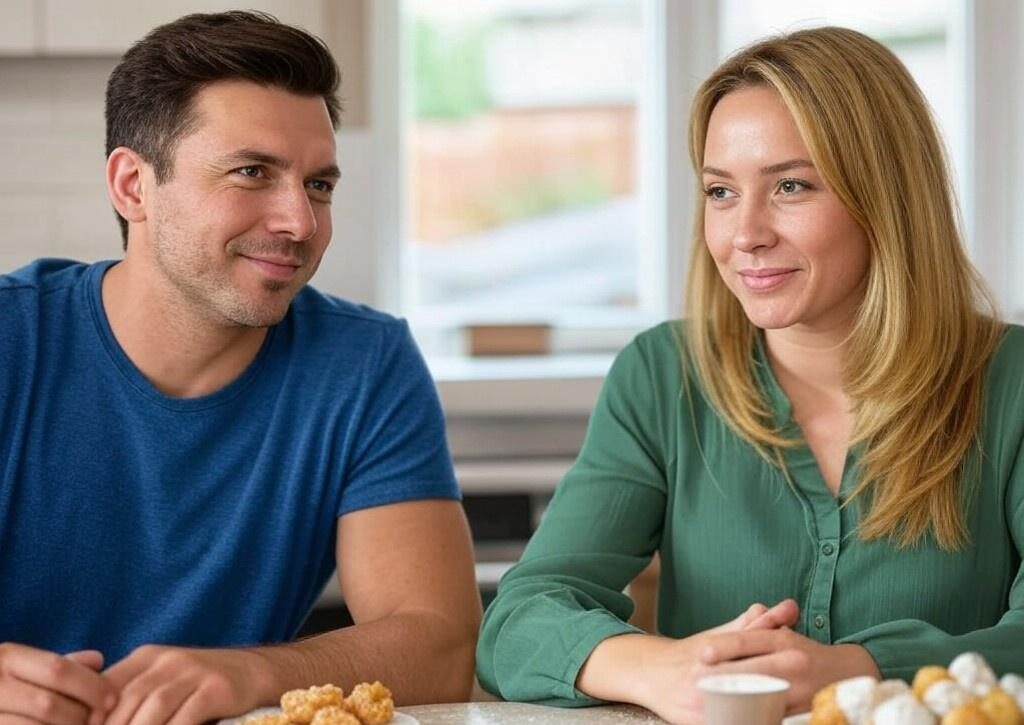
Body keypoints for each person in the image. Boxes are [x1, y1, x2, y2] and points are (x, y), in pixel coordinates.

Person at [476, 25, 1024, 724]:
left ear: (885, 195)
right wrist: (663, 667)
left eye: (791, 186)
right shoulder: (663, 375)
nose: (745, 234)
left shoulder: (1011, 383)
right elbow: (517, 620)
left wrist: (861, 668)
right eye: (720, 191)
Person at [0, 11, 481, 725]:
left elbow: (441, 647)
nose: (301, 222)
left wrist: (250, 672)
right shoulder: (14, 340)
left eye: (319, 185)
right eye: (253, 172)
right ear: (133, 185)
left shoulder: (365, 364)